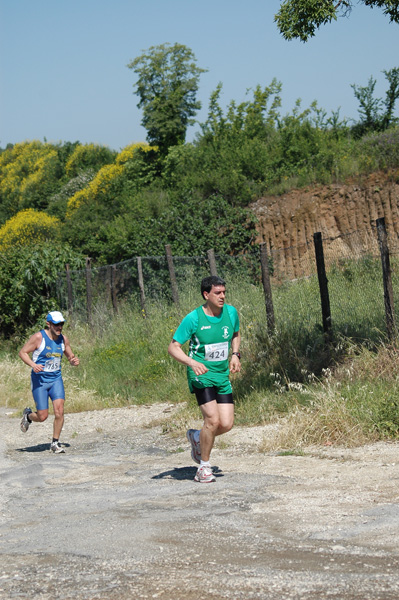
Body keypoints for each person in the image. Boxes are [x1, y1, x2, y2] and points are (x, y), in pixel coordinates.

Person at [168, 276, 241, 483]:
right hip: (200, 374)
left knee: (226, 424)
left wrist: (235, 354)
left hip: (221, 374)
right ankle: (203, 468)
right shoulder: (194, 318)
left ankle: (198, 438)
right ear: (206, 294)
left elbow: (235, 333)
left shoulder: (231, 312)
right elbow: (173, 347)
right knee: (212, 420)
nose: (222, 296)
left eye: (224, 292)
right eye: (217, 293)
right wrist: (191, 363)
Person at [19, 311, 79, 453]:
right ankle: (28, 415)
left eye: (61, 324)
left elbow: (70, 355)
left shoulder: (63, 339)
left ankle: (55, 443)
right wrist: (33, 365)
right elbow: (22, 352)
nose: (59, 327)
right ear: (49, 324)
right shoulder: (39, 337)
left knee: (59, 411)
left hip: (56, 379)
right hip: (40, 380)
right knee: (42, 416)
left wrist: (73, 361)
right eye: (56, 324)